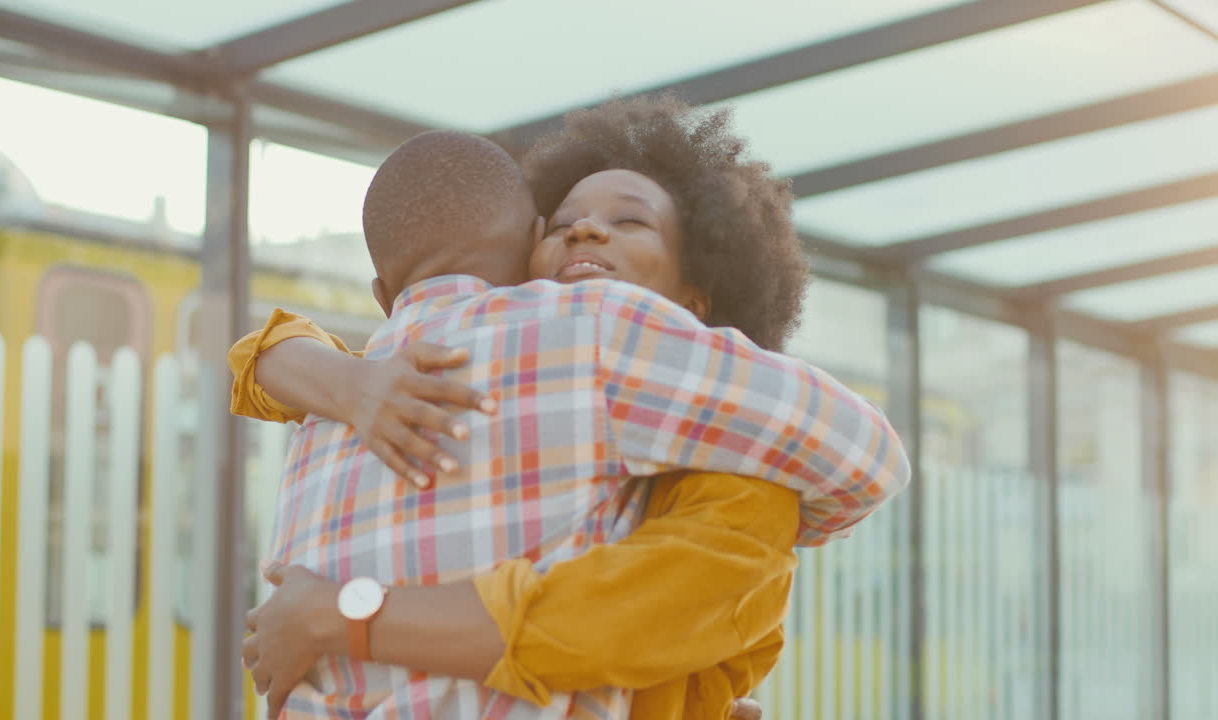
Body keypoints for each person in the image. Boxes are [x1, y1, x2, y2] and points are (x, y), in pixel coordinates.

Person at [239, 98, 909, 720]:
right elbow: (253, 359)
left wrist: (339, 614)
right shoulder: (438, 378)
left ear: (699, 299)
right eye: (561, 225)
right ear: (524, 246)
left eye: (630, 222)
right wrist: (344, 381)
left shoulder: (739, 490)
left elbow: (575, 632)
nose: (586, 228)